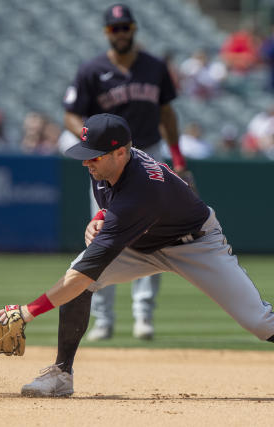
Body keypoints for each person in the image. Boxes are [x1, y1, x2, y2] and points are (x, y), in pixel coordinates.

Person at [0, 113, 274, 400]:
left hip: (196, 243)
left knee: (260, 321)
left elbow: (98, 252)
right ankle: (61, 374)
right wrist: (104, 219)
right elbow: (113, 214)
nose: (86, 163)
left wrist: (26, 312)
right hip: (143, 242)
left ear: (121, 151)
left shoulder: (140, 189)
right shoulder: (109, 168)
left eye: (95, 155)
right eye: (85, 155)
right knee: (80, 281)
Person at [61, 3, 192, 341]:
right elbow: (71, 114)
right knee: (103, 233)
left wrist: (177, 157)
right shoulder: (92, 69)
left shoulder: (155, 67)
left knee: (153, 234)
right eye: (114, 29)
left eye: (125, 27)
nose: (120, 33)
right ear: (107, 32)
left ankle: (143, 314)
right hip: (107, 161)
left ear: (134, 29)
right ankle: (103, 319)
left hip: (149, 154)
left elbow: (167, 113)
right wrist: (92, 142)